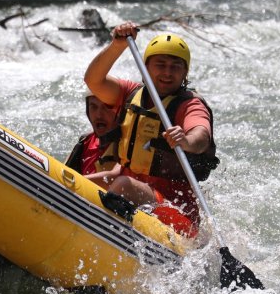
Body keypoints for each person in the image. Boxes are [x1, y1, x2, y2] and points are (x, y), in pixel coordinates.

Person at [83, 22, 219, 237]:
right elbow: (94, 80)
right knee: (76, 181)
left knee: (123, 185)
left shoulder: (190, 104)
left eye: (175, 66)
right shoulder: (129, 93)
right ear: (146, 67)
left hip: (177, 214)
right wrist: (117, 45)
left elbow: (200, 134)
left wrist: (186, 140)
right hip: (131, 189)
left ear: (185, 73)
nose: (167, 72)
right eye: (160, 64)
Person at [65, 92, 122, 189]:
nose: (99, 115)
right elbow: (62, 170)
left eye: (107, 107)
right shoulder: (84, 141)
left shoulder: (128, 144)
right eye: (93, 107)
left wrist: (73, 181)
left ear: (120, 112)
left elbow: (115, 177)